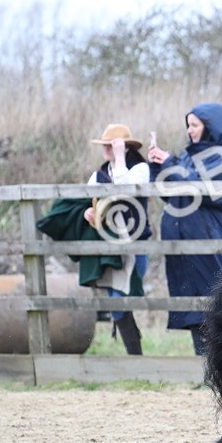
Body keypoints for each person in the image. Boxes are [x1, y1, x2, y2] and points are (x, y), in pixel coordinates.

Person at [35, 123, 150, 355]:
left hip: (135, 243)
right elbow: (90, 202)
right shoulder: (98, 175)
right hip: (109, 246)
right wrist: (88, 212)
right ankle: (135, 356)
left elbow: (125, 191)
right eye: (105, 145)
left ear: (125, 147)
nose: (107, 149)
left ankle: (135, 356)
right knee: (115, 301)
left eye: (112, 145)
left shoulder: (140, 169)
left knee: (120, 297)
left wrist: (120, 159)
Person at [147, 103, 222, 354]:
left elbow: (196, 188)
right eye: (188, 125)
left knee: (216, 307)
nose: (189, 130)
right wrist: (158, 166)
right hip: (186, 251)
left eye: (195, 125)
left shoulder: (219, 158)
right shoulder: (186, 158)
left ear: (209, 126)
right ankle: (204, 370)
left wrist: (170, 163)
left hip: (211, 247)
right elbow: (171, 195)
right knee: (194, 310)